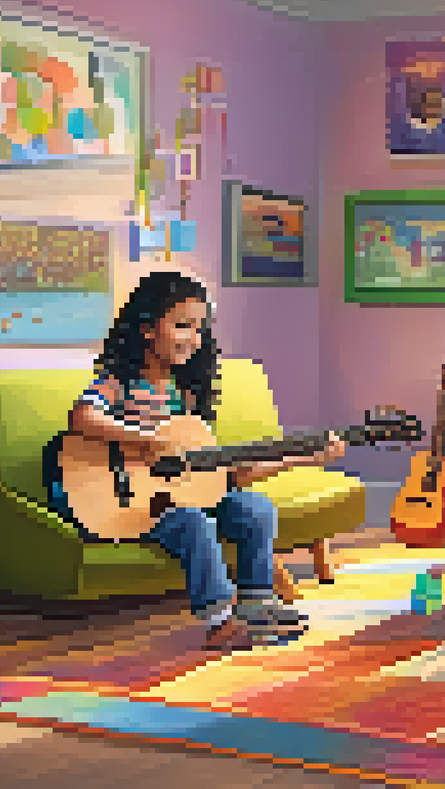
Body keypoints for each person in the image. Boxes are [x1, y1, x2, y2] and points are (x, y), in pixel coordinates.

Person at [41, 270, 346, 652]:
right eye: (182, 325)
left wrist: (306, 459)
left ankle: (257, 604)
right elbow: (82, 417)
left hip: (183, 497)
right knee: (193, 522)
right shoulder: (120, 382)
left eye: (199, 328)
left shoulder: (186, 397)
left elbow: (227, 477)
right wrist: (148, 440)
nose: (193, 338)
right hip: (133, 507)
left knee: (254, 508)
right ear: (148, 329)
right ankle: (219, 621)